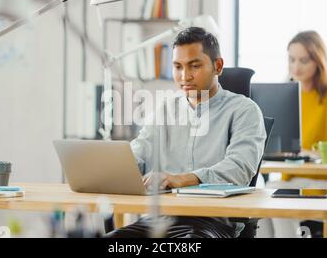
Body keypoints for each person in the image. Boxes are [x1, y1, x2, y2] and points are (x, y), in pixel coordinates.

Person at [106, 27, 266, 238]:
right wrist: (114, 168)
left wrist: (182, 179)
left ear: (217, 66)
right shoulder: (164, 110)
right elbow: (139, 152)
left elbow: (237, 170)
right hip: (159, 220)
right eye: (177, 66)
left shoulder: (244, 111)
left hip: (213, 223)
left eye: (194, 66)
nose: (184, 76)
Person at [259, 30, 327, 238]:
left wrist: (318, 156)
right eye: (292, 60)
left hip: (325, 182)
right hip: (290, 181)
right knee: (262, 202)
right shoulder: (285, 94)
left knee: (278, 203)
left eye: (304, 60)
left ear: (318, 61)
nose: (295, 67)